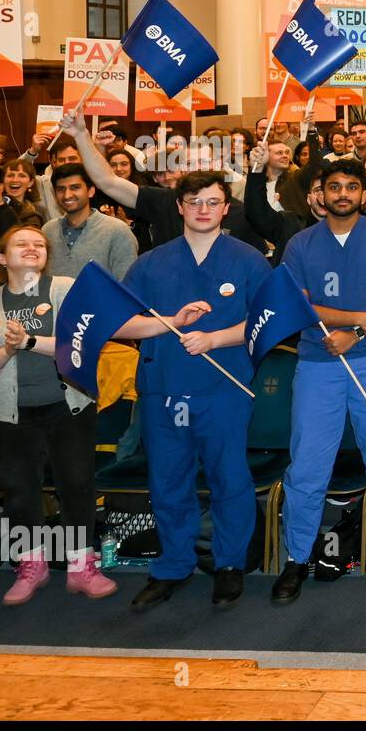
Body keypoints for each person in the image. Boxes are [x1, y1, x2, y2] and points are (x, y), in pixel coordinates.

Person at [115, 171, 272, 609]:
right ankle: (173, 565)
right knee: (167, 482)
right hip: (162, 388)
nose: (203, 209)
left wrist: (214, 338)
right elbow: (122, 322)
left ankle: (229, 565)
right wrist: (173, 323)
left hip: (223, 388)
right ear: (180, 207)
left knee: (229, 479)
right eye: (194, 201)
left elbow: (266, 322)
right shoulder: (150, 262)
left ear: (227, 208)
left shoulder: (248, 260)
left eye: (213, 201)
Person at [272, 159, 366, 602]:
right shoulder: (299, 245)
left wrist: (353, 334)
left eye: (352, 186)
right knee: (308, 465)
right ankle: (297, 557)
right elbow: (299, 306)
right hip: (317, 364)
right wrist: (356, 320)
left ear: (365, 194)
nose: (343, 194)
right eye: (334, 186)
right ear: (319, 194)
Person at [0, 226, 112, 604]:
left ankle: (81, 564)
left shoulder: (65, 289)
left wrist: (27, 342)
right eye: (21, 243)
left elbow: (82, 343)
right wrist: (7, 352)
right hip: (8, 413)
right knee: (20, 492)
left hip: (68, 405)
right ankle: (30, 565)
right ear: (2, 258)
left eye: (39, 244)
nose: (33, 248)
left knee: (76, 485)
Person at [65, 108, 265, 252]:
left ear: (217, 164)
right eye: (189, 163)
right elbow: (107, 181)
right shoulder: (163, 200)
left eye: (204, 161)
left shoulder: (241, 213)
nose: (197, 167)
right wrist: (81, 135)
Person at [41, 163, 138, 280]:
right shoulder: (48, 230)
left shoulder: (117, 231)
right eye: (61, 189)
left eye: (75, 187)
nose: (67, 195)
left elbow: (127, 284)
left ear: (91, 191)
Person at [0, 159, 47, 225]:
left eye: (22, 176)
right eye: (10, 175)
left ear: (30, 182)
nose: (15, 180)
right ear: (2, 181)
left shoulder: (38, 211)